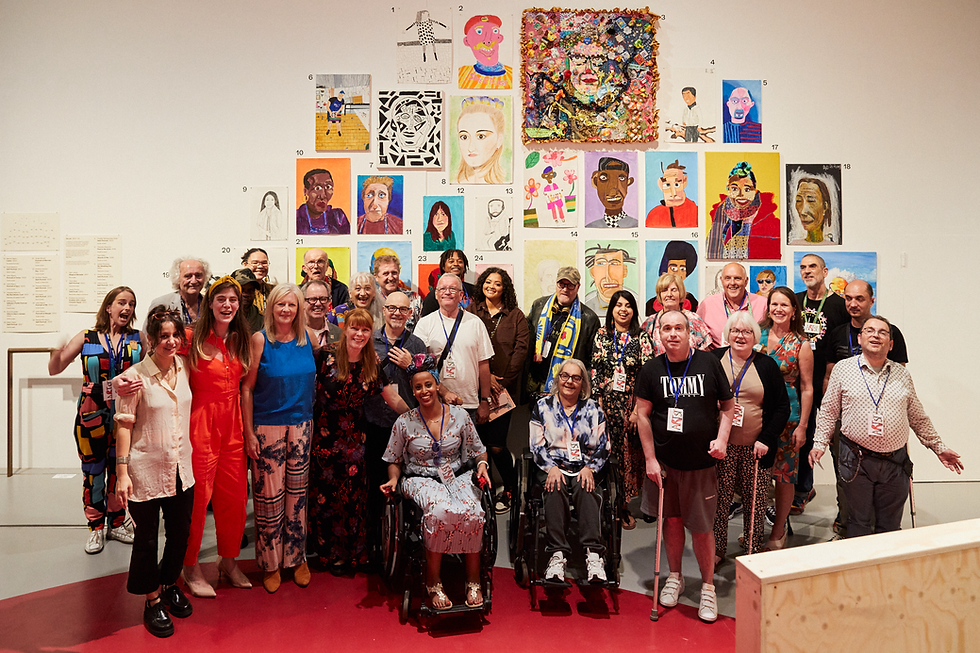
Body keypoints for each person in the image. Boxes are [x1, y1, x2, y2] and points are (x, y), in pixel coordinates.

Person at [811, 316, 963, 537]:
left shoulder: (901, 374)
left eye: (882, 332)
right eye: (870, 331)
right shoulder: (843, 369)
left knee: (890, 528)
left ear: (890, 344)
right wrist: (819, 443)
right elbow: (829, 410)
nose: (875, 335)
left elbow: (917, 416)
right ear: (860, 338)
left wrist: (938, 448)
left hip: (895, 463)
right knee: (858, 523)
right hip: (856, 460)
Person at [634, 310, 734, 623]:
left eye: (679, 328)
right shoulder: (651, 369)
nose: (673, 334)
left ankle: (708, 587)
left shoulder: (708, 363)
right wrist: (650, 459)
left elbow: (728, 406)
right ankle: (675, 577)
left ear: (690, 332)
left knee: (702, 529)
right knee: (672, 522)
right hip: (666, 465)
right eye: (667, 328)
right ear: (659, 334)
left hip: (700, 463)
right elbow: (642, 415)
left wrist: (722, 439)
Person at [382, 360, 490, 609]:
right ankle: (433, 581)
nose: (424, 391)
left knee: (473, 511)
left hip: (456, 475)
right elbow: (394, 459)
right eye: (418, 387)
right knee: (441, 511)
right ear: (412, 390)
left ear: (437, 385)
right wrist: (393, 479)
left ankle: (473, 579)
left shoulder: (460, 416)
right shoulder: (404, 422)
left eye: (428, 385)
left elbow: (478, 450)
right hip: (420, 478)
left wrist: (482, 465)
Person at [113, 307, 194, 637]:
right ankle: (152, 600)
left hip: (181, 467)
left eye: (175, 336)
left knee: (180, 533)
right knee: (146, 540)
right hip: (145, 470)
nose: (170, 342)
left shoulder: (184, 366)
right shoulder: (134, 378)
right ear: (150, 339)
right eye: (163, 336)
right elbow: (123, 425)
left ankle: (169, 583)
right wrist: (121, 473)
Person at [310, 308, 409, 574]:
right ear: (345, 329)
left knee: (353, 499)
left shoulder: (371, 365)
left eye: (365, 329)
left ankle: (355, 553)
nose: (359, 334)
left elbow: (392, 398)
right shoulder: (324, 356)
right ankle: (332, 555)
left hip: (355, 441)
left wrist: (418, 418)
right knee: (326, 499)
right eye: (355, 328)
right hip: (324, 440)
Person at [48, 286, 142, 554]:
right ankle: (96, 527)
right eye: (121, 303)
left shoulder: (138, 339)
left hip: (125, 417)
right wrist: (55, 352)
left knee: (120, 471)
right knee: (93, 473)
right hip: (91, 416)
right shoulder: (87, 337)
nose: (127, 308)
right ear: (108, 307)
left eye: (131, 304)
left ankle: (117, 522)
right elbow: (55, 368)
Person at [241, 284, 316, 593]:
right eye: (280, 304)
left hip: (301, 426)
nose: (286, 310)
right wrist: (248, 432)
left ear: (299, 309)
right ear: (270, 307)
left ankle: (296, 559)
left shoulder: (307, 338)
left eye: (292, 304)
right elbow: (247, 388)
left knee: (298, 496)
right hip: (267, 427)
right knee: (268, 499)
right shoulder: (260, 340)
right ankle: (270, 563)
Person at [182, 276, 252, 598]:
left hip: (233, 427)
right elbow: (157, 361)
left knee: (235, 498)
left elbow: (246, 387)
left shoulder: (241, 341)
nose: (227, 305)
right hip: (201, 426)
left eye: (232, 300)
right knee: (198, 500)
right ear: (209, 303)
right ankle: (190, 565)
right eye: (221, 299)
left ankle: (229, 560)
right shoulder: (190, 338)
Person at [823, 280, 909, 536]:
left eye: (859, 298)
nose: (853, 304)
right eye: (848, 298)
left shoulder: (890, 333)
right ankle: (847, 523)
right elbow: (829, 376)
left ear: (872, 300)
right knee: (846, 475)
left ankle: (877, 528)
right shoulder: (837, 334)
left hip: (883, 418)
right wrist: (829, 414)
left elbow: (900, 377)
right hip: (846, 419)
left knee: (884, 477)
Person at [710, 312, 789, 563]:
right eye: (735, 330)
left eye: (746, 332)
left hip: (756, 447)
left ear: (755, 336)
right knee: (720, 500)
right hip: (721, 446)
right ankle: (717, 549)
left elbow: (782, 407)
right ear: (727, 334)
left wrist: (766, 438)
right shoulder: (713, 360)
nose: (740, 336)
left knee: (755, 501)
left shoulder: (766, 365)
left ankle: (752, 552)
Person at [362, 291, 429, 564]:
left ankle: (407, 545)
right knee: (374, 487)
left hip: (406, 426)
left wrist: (410, 365)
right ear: (384, 310)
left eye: (403, 310)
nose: (397, 314)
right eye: (392, 308)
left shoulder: (416, 343)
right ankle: (374, 547)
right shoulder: (370, 341)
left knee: (406, 486)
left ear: (410, 314)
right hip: (374, 424)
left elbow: (428, 379)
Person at [531, 359, 610, 583]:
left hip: (583, 465)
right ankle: (557, 555)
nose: (569, 382)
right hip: (553, 465)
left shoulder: (593, 409)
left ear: (583, 383)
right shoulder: (543, 406)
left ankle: (593, 555)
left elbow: (604, 446)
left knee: (586, 487)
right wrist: (551, 468)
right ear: (558, 378)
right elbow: (536, 446)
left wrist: (590, 468)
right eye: (565, 376)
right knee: (555, 486)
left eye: (576, 378)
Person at [590, 290, 653, 529]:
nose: (623, 310)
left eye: (628, 305)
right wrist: (598, 403)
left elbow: (647, 375)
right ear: (612, 309)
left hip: (632, 406)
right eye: (618, 305)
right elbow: (595, 369)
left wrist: (638, 409)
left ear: (634, 310)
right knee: (606, 454)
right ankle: (604, 504)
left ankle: (623, 506)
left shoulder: (641, 337)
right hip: (606, 405)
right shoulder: (602, 335)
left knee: (628, 458)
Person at [468, 267, 529, 514]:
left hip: (503, 391)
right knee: (476, 446)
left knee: (496, 445)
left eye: (497, 283)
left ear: (505, 289)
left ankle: (511, 488)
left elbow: (521, 351)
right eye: (488, 282)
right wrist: (486, 377)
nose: (491, 286)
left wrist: (501, 381)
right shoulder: (471, 311)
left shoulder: (516, 316)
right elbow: (465, 346)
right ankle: (483, 490)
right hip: (473, 389)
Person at [757, 287, 814, 550]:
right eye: (774, 304)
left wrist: (803, 426)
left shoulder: (801, 344)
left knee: (784, 476)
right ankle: (754, 528)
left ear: (793, 311)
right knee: (756, 476)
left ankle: (778, 530)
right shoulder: (756, 335)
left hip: (788, 420)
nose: (778, 309)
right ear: (768, 308)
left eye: (784, 305)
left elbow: (807, 387)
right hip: (756, 416)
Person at [792, 254, 849, 516]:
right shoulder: (795, 301)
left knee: (836, 442)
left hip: (829, 382)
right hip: (800, 381)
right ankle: (803, 490)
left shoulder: (839, 305)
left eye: (812, 266)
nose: (807, 271)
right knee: (801, 436)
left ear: (825, 271)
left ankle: (845, 503)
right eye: (803, 267)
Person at [414, 273, 494, 426]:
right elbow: (419, 367)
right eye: (443, 289)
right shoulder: (424, 324)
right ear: (436, 294)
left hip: (468, 404)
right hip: (433, 403)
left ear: (461, 295)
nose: (447, 292)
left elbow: (483, 365)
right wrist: (442, 391)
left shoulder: (475, 323)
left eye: (452, 289)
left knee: (467, 443)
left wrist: (485, 401)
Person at [526, 266, 601, 400]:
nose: (565, 289)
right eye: (562, 284)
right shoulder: (539, 306)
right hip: (535, 384)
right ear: (556, 284)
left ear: (578, 287)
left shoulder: (589, 319)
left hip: (567, 389)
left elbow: (592, 362)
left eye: (570, 285)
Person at [705, 161, 780, 260]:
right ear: (728, 190)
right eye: (734, 189)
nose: (740, 194)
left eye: (747, 190)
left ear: (755, 191)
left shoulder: (768, 219)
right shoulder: (721, 212)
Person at [696, 262, 767, 348]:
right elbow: (697, 337)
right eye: (727, 278)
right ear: (721, 280)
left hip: (754, 355)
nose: (732, 282)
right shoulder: (707, 304)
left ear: (746, 281)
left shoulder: (763, 304)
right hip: (718, 356)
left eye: (737, 278)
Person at [642, 273, 712, 355]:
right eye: (664, 290)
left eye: (674, 290)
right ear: (659, 295)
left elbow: (704, 355)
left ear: (680, 293)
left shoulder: (694, 320)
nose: (669, 294)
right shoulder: (650, 323)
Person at [454, 96, 507, 184]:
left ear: (499, 140)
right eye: (464, 137)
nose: (470, 148)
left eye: (481, 136)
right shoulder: (457, 183)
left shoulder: (503, 184)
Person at [148, 256, 210, 326]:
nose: (194, 281)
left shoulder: (211, 305)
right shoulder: (161, 304)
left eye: (198, 275)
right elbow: (149, 332)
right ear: (177, 278)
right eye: (188, 276)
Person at [457, 14, 513, 89]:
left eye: (495, 31)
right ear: (467, 41)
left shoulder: (513, 75)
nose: (487, 41)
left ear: (499, 38)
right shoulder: (461, 74)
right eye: (479, 32)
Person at [645, 240, 700, 315]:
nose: (678, 273)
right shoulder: (651, 306)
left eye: (682, 269)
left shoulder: (692, 304)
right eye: (673, 268)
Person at [583, 243, 635, 316]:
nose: (608, 276)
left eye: (614, 264)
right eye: (601, 264)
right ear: (593, 272)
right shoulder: (586, 304)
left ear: (624, 271)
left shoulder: (635, 300)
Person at [421, 249, 475, 317]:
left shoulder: (474, 290)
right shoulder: (433, 295)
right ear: (443, 267)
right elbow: (427, 320)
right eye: (451, 261)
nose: (456, 264)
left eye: (460, 261)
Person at [585, 156, 637, 228]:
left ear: (628, 183)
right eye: (603, 178)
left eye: (621, 178)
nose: (613, 193)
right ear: (595, 182)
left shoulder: (635, 225)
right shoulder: (591, 227)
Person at [373, 253, 423, 326]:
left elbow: (422, 328)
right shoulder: (372, 300)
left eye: (394, 273)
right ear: (376, 277)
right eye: (386, 274)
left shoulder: (414, 299)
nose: (391, 278)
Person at [296, 168, 350, 235]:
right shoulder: (296, 218)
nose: (323, 195)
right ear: (305, 191)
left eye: (328, 187)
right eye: (317, 188)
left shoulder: (339, 217)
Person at [645, 160, 698, 228]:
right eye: (667, 185)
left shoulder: (696, 212)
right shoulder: (653, 215)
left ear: (684, 182)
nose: (673, 193)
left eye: (677, 185)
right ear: (660, 185)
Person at [788, 175, 838, 245]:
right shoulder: (794, 244)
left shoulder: (832, 245)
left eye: (811, 200)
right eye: (798, 200)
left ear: (825, 206)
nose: (803, 212)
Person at [303, 279, 342, 348]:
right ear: (303, 302)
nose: (318, 303)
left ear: (329, 301)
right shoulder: (293, 332)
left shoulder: (339, 334)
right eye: (313, 299)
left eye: (323, 299)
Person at [241, 248, 274, 315]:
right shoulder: (237, 289)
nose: (260, 266)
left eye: (264, 263)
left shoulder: (274, 291)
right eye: (255, 263)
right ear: (245, 265)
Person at [232, 268, 264, 333]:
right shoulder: (223, 317)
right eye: (241, 290)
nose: (246, 294)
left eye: (250, 290)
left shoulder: (262, 322)